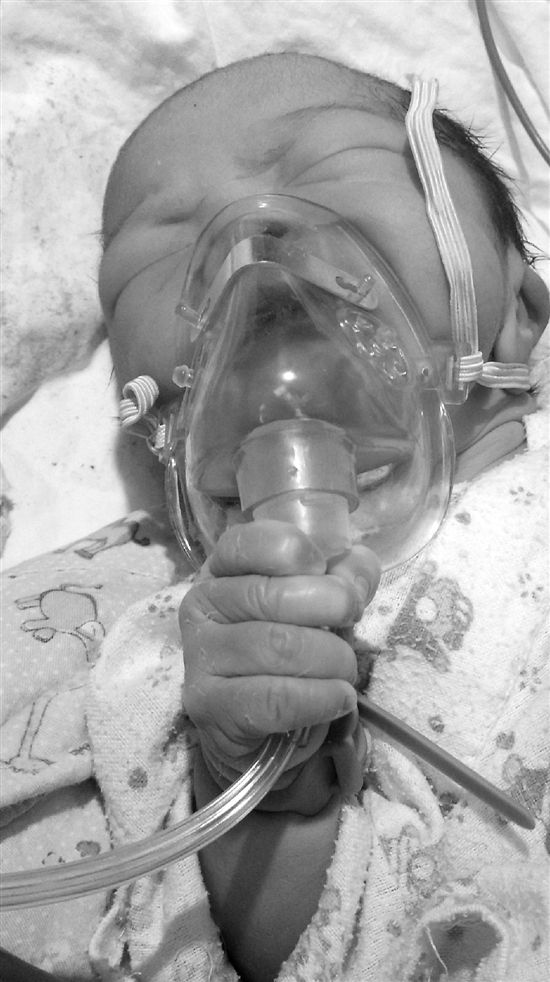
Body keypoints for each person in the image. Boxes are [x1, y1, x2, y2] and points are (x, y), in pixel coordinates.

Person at [1, 53, 548, 982]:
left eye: (324, 168)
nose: (246, 240)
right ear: (147, 419)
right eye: (160, 245)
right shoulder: (185, 635)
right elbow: (299, 949)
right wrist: (264, 787)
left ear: (519, 313)